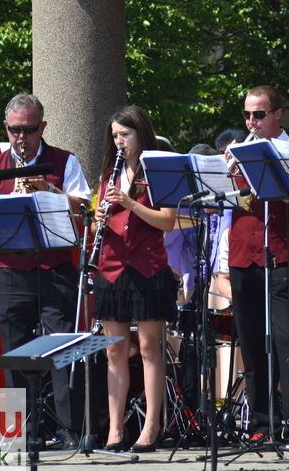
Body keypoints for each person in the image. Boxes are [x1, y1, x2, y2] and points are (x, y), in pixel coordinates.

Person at [0, 93, 91, 450]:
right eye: (14, 130)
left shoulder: (64, 161)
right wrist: (12, 207)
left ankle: (69, 429)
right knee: (16, 351)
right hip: (12, 270)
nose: (21, 137)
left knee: (62, 347)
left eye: (28, 129)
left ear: (43, 127)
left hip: (56, 268)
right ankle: (25, 430)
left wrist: (49, 190)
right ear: (6, 128)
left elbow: (84, 208)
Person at [225, 85, 289, 442]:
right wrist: (225, 170)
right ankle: (261, 423)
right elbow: (226, 200)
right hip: (242, 254)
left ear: (277, 115)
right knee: (251, 345)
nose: (251, 122)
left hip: (279, 254)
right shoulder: (239, 151)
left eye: (259, 115)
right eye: (247, 115)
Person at [91, 105, 179, 453]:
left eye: (125, 135)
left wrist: (129, 202)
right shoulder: (108, 175)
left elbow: (167, 221)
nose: (119, 141)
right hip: (111, 268)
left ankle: (151, 426)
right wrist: (98, 221)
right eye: (114, 136)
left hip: (147, 268)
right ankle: (115, 429)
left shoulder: (159, 171)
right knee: (114, 350)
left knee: (148, 347)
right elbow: (100, 222)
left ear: (141, 134)